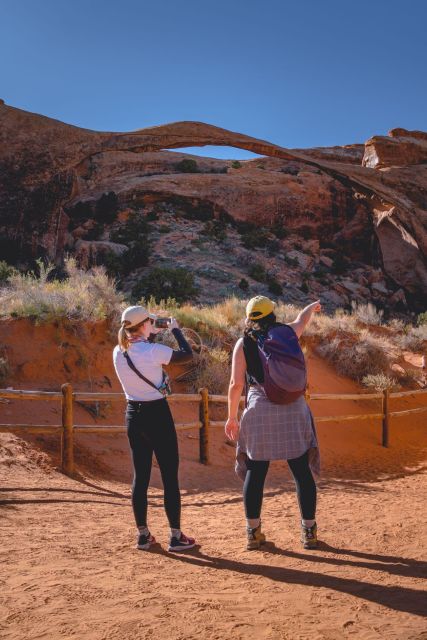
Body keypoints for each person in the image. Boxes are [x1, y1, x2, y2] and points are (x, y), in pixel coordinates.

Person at [225, 296, 321, 551]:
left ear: (249, 317)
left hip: (260, 409)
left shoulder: (243, 343)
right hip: (294, 407)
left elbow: (236, 385)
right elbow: (302, 320)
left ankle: (253, 533)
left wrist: (232, 417)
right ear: (272, 314)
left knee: (256, 472)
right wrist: (310, 307)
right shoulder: (288, 333)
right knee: (301, 471)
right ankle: (309, 533)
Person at [113, 305, 197, 552]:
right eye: (149, 321)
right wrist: (175, 330)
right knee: (170, 475)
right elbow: (187, 354)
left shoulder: (118, 351)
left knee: (141, 477)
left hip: (133, 415)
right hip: (158, 415)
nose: (152, 324)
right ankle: (176, 536)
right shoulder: (153, 351)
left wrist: (151, 334)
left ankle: (143, 535)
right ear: (143, 325)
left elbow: (139, 347)